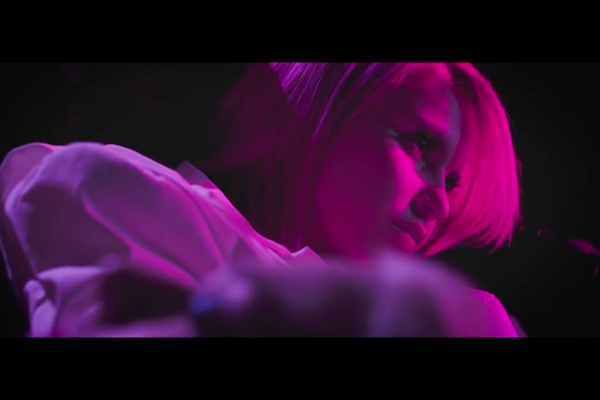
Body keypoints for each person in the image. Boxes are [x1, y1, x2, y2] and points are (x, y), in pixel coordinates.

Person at [0, 62, 522, 337]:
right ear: (325, 104)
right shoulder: (112, 188)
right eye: (421, 143)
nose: (442, 204)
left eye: (453, 183)